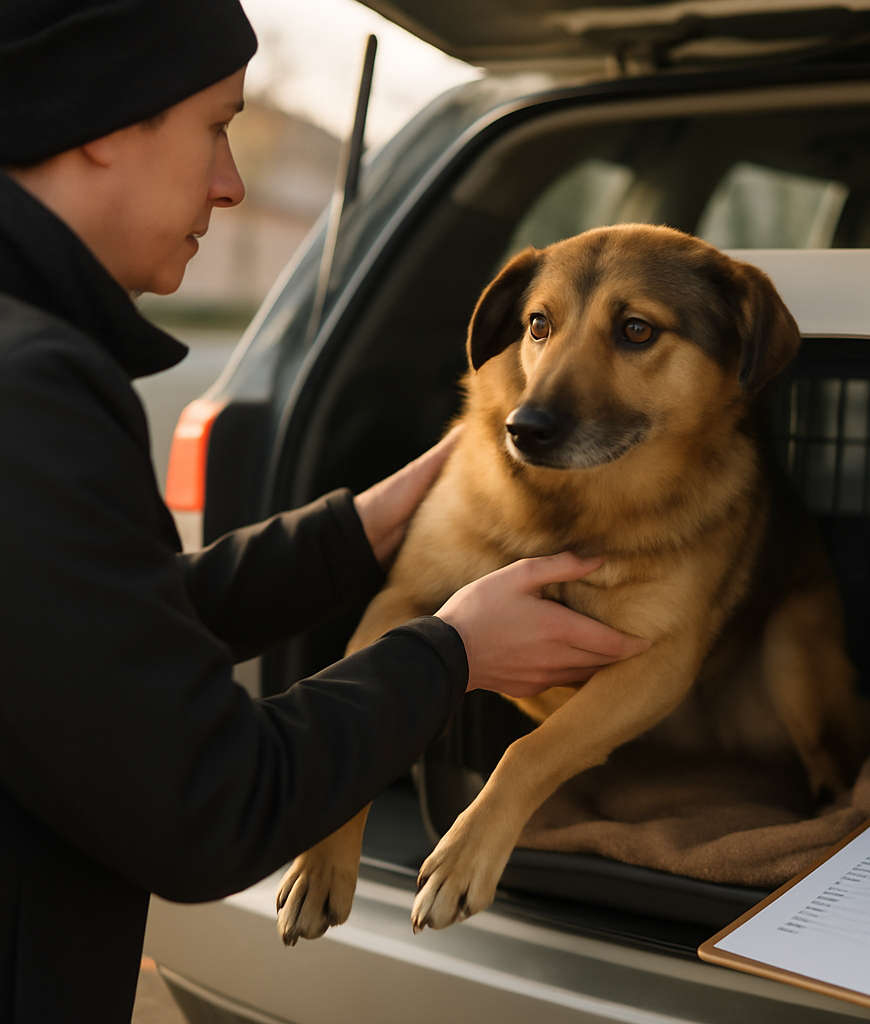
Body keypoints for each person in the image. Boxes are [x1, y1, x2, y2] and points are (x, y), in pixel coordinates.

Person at [0, 2, 649, 1021]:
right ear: (102, 118)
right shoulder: (34, 388)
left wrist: (357, 533)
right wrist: (451, 654)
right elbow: (207, 802)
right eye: (216, 124)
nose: (232, 180)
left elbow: (73, 638)